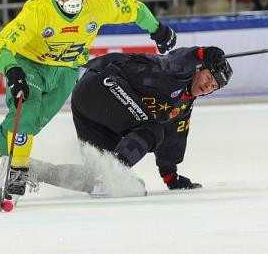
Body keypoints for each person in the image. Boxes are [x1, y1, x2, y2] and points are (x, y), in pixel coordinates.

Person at [0, 0, 177, 201]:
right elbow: (1, 46)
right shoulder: (38, 10)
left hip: (65, 73)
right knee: (27, 118)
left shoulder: (98, 4)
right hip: (29, 66)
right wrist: (13, 71)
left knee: (21, 130)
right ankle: (19, 170)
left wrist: (158, 29)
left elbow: (134, 10)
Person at [29, 45, 233, 194]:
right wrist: (204, 53)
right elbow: (177, 58)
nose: (208, 87)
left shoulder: (184, 105)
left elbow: (175, 137)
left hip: (92, 108)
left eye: (214, 87)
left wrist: (170, 176)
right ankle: (111, 176)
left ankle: (29, 169)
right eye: (208, 79)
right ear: (199, 69)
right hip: (102, 83)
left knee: (95, 173)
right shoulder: (177, 72)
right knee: (152, 131)